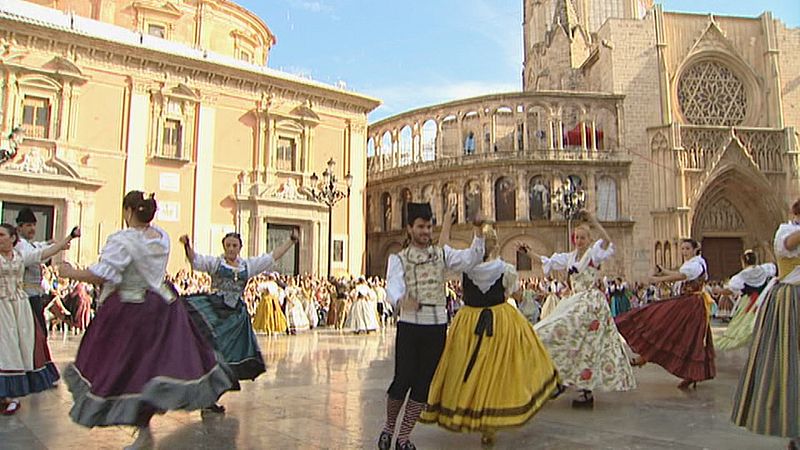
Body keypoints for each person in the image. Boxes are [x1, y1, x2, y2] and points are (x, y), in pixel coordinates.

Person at [59, 191, 236, 450]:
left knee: (125, 369)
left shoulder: (123, 239)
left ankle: (142, 432)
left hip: (131, 309)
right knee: (150, 370)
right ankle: (143, 430)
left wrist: (70, 272)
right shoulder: (161, 237)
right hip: (162, 306)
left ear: (128, 211)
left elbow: (105, 274)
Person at [420, 223, 558, 445]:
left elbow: (441, 251)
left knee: (468, 369)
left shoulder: (465, 267)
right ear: (495, 246)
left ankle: (469, 409)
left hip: (468, 322)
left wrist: (446, 222)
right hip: (500, 320)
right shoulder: (506, 269)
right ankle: (490, 423)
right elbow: (517, 295)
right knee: (496, 370)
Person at [378, 201, 485, 450]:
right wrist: (400, 299)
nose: (426, 231)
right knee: (401, 381)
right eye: (421, 227)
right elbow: (391, 286)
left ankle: (403, 438)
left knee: (423, 384)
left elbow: (471, 258)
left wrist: (478, 232)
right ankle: (388, 428)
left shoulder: (442, 254)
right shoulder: (398, 259)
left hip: (436, 327)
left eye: (428, 226)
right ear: (409, 229)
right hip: (410, 326)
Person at [524, 211, 636, 408]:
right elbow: (547, 261)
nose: (579, 240)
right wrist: (528, 252)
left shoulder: (594, 253)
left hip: (590, 303)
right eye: (576, 237)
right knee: (558, 334)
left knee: (586, 345)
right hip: (575, 300)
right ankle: (560, 378)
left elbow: (608, 241)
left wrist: (593, 221)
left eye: (583, 237)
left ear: (589, 239)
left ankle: (580, 388)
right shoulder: (569, 258)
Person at [179, 228, 298, 412]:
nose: (231, 249)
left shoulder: (247, 266)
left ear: (240, 247)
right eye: (228, 245)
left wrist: (290, 241)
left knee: (228, 361)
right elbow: (196, 260)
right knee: (212, 355)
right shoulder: (216, 263)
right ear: (224, 247)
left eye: (234, 245)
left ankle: (210, 399)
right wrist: (187, 246)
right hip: (215, 312)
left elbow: (271, 257)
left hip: (235, 320)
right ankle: (202, 393)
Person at [732, 201, 800, 449]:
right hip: (792, 301)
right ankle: (794, 429)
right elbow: (788, 246)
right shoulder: (785, 232)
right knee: (790, 363)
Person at [615, 238, 715, 389]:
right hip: (688, 303)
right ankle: (646, 356)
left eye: (687, 249)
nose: (684, 252)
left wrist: (658, 278)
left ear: (695, 249)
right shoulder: (694, 263)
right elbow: (680, 273)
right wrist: (664, 271)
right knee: (670, 331)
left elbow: (682, 276)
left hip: (691, 304)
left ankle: (688, 372)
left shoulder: (696, 264)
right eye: (682, 249)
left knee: (675, 332)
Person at [0, 223, 77, 415]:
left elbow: (44, 252)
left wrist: (68, 238)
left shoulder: (20, 257)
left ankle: (11, 395)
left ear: (12, 238)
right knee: (5, 349)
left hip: (19, 308)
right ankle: (6, 396)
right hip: (1, 306)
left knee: (18, 349)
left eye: (2, 235)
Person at [715, 249, 776, 351]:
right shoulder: (764, 269)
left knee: (744, 322)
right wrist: (767, 249)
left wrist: (719, 290)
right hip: (764, 299)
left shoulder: (741, 275)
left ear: (743, 261)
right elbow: (774, 266)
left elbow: (730, 290)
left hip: (749, 301)